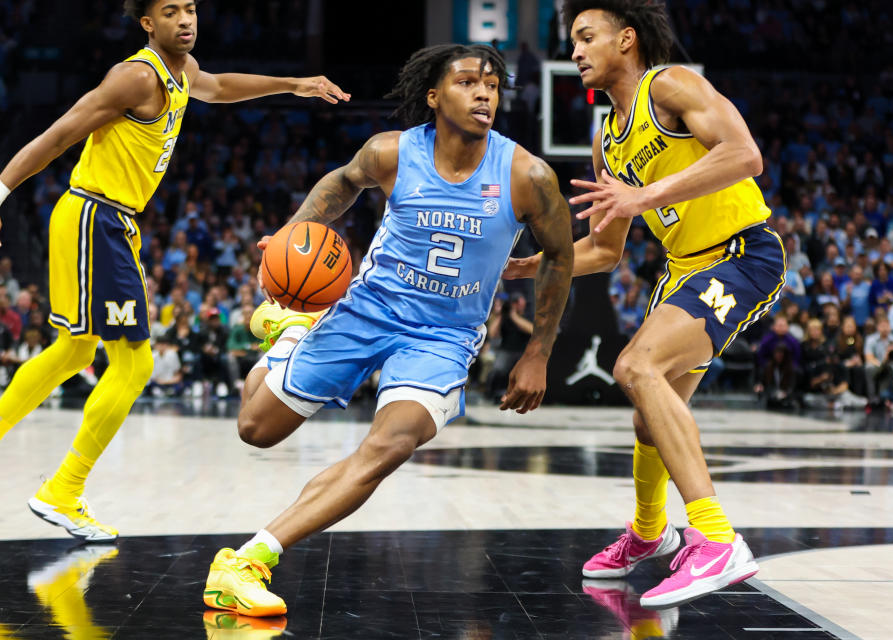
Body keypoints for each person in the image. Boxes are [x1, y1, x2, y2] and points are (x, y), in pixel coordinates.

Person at [202, 44, 574, 617]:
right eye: (469, 82)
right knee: (255, 429)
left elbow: (559, 255)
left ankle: (248, 561)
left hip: (443, 340)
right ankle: (294, 329)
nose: (484, 94)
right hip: (366, 309)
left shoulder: (528, 175)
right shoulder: (391, 152)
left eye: (493, 87)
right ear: (433, 95)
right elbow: (343, 182)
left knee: (390, 445)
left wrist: (538, 352)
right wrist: (290, 237)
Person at [0, 0, 350, 541]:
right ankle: (62, 491)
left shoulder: (181, 71)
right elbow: (59, 135)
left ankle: (56, 486)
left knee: (73, 351)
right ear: (147, 22)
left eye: (190, 9)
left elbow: (218, 86)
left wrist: (293, 84)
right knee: (135, 365)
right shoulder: (134, 77)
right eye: (170, 11)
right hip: (97, 217)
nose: (186, 19)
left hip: (103, 220)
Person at [505, 0, 783, 608]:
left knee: (635, 367)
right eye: (572, 41)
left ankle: (715, 540)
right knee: (647, 416)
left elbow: (744, 155)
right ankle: (650, 533)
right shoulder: (607, 138)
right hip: (685, 270)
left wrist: (646, 194)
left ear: (626, 39)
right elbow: (605, 251)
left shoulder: (672, 84)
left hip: (743, 253)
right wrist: (543, 263)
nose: (574, 51)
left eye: (586, 37)